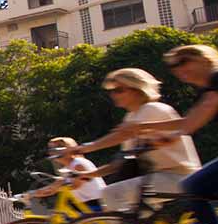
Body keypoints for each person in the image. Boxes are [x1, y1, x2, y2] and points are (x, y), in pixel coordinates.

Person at [119, 46, 218, 224]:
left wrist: (174, 136)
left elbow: (206, 110)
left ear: (204, 59)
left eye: (182, 62)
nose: (177, 69)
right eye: (172, 66)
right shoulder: (211, 88)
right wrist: (142, 128)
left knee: (194, 185)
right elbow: (189, 119)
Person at [67, 68, 201, 212]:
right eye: (111, 91)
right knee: (131, 216)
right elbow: (120, 162)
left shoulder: (152, 109)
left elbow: (123, 135)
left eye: (119, 90)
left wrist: (85, 148)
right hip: (158, 178)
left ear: (137, 89)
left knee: (111, 193)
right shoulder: (131, 117)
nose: (113, 94)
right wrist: (88, 175)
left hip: (179, 176)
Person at [31, 137, 105, 210]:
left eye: (58, 148)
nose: (52, 152)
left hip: (97, 203)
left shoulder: (78, 164)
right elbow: (54, 187)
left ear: (68, 149)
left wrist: (55, 189)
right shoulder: (67, 168)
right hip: (86, 205)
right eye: (50, 149)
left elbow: (75, 186)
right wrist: (31, 194)